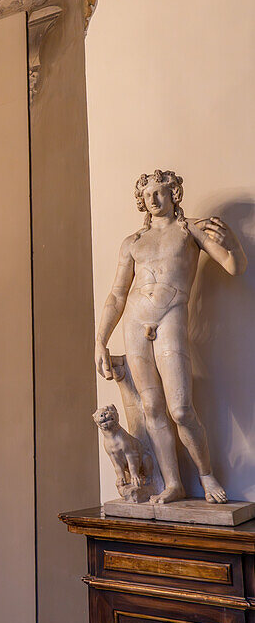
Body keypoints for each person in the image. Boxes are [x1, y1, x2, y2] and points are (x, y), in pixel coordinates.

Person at [95, 170, 247, 504]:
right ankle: (173, 483)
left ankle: (206, 476)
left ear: (173, 193)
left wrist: (233, 244)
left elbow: (234, 267)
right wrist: (100, 340)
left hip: (171, 317)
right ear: (142, 201)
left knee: (180, 409)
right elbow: (117, 295)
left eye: (160, 192)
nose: (153, 200)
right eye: (147, 195)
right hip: (134, 322)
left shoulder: (189, 230)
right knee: (151, 407)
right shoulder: (133, 242)